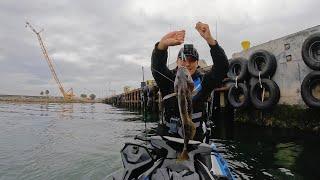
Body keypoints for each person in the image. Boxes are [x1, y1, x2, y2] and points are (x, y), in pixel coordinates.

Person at [151, 22, 229, 141]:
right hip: (168, 137)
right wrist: (162, 45)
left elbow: (222, 68)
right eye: (183, 59)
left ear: (197, 63)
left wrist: (210, 40)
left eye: (192, 60)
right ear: (177, 61)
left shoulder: (204, 82)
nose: (187, 64)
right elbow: (157, 68)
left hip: (194, 139)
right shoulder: (167, 79)